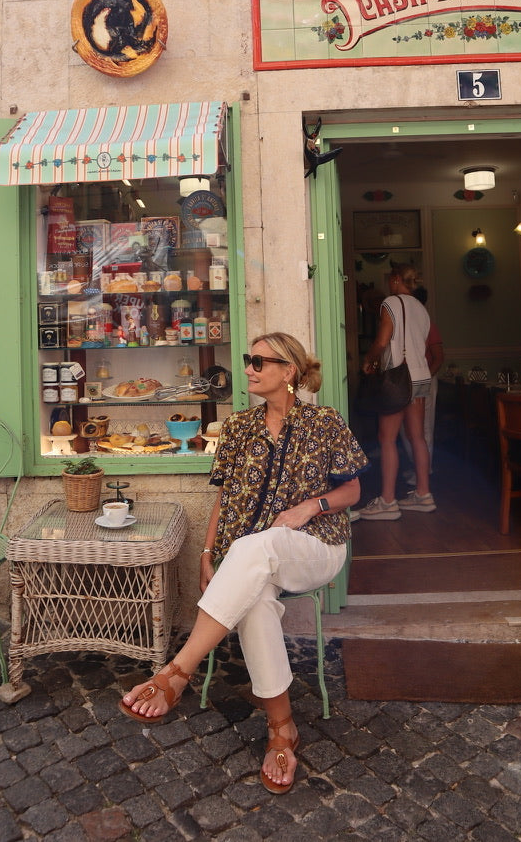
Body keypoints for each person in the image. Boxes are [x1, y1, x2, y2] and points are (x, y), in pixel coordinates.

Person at [119, 332, 367, 794]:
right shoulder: (237, 428)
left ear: (289, 372)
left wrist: (311, 507)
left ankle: (178, 671)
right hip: (250, 557)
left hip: (315, 547)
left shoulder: (324, 422)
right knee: (253, 600)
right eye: (248, 359)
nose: (248, 367)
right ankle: (282, 729)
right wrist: (209, 553)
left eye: (259, 361)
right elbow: (223, 500)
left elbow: (352, 490)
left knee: (259, 545)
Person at [359, 264, 435, 519]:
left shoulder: (391, 302)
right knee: (417, 437)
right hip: (421, 376)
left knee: (387, 438)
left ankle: (388, 501)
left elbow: (382, 341)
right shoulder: (421, 309)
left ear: (395, 279)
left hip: (398, 377)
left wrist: (368, 360)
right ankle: (424, 494)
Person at [399, 286, 444, 488]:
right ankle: (418, 467)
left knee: (423, 428)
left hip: (423, 380)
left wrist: (424, 378)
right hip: (404, 381)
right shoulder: (402, 327)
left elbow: (438, 358)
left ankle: (423, 472)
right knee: (405, 428)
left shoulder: (427, 325)